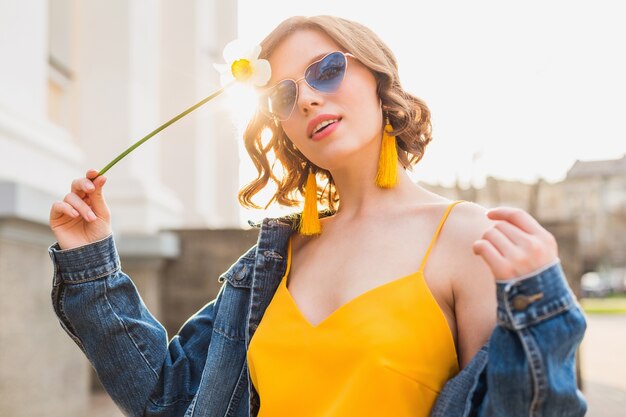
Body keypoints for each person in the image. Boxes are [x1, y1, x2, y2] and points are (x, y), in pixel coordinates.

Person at [48, 15, 587, 417]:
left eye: (326, 71)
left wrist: (540, 306)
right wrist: (91, 257)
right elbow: (166, 397)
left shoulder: (470, 239)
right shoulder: (270, 265)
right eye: (283, 94)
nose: (306, 99)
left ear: (378, 82)